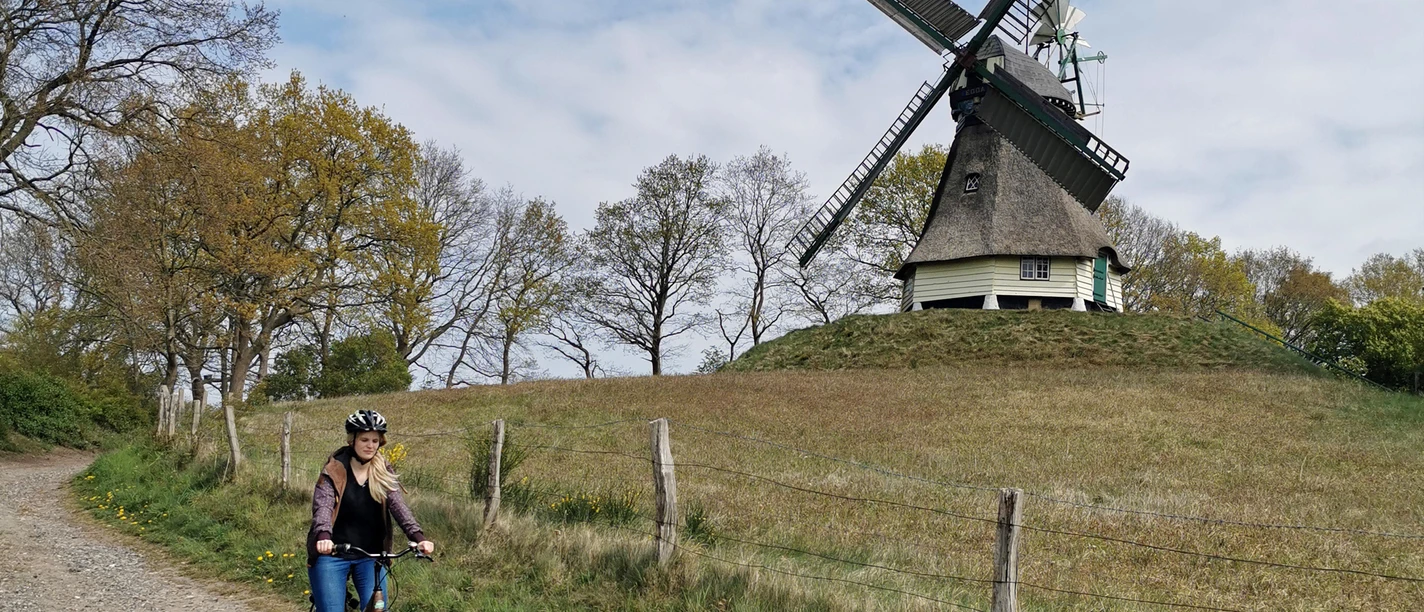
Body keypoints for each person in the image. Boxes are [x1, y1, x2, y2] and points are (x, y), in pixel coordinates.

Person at [306, 410, 434, 611]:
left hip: (371, 556)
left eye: (375, 441)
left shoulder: (382, 470)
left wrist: (418, 538)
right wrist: (323, 536)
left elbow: (398, 506)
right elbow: (323, 506)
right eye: (365, 439)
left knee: (378, 609)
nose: (370, 445)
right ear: (352, 440)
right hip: (332, 554)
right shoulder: (335, 469)